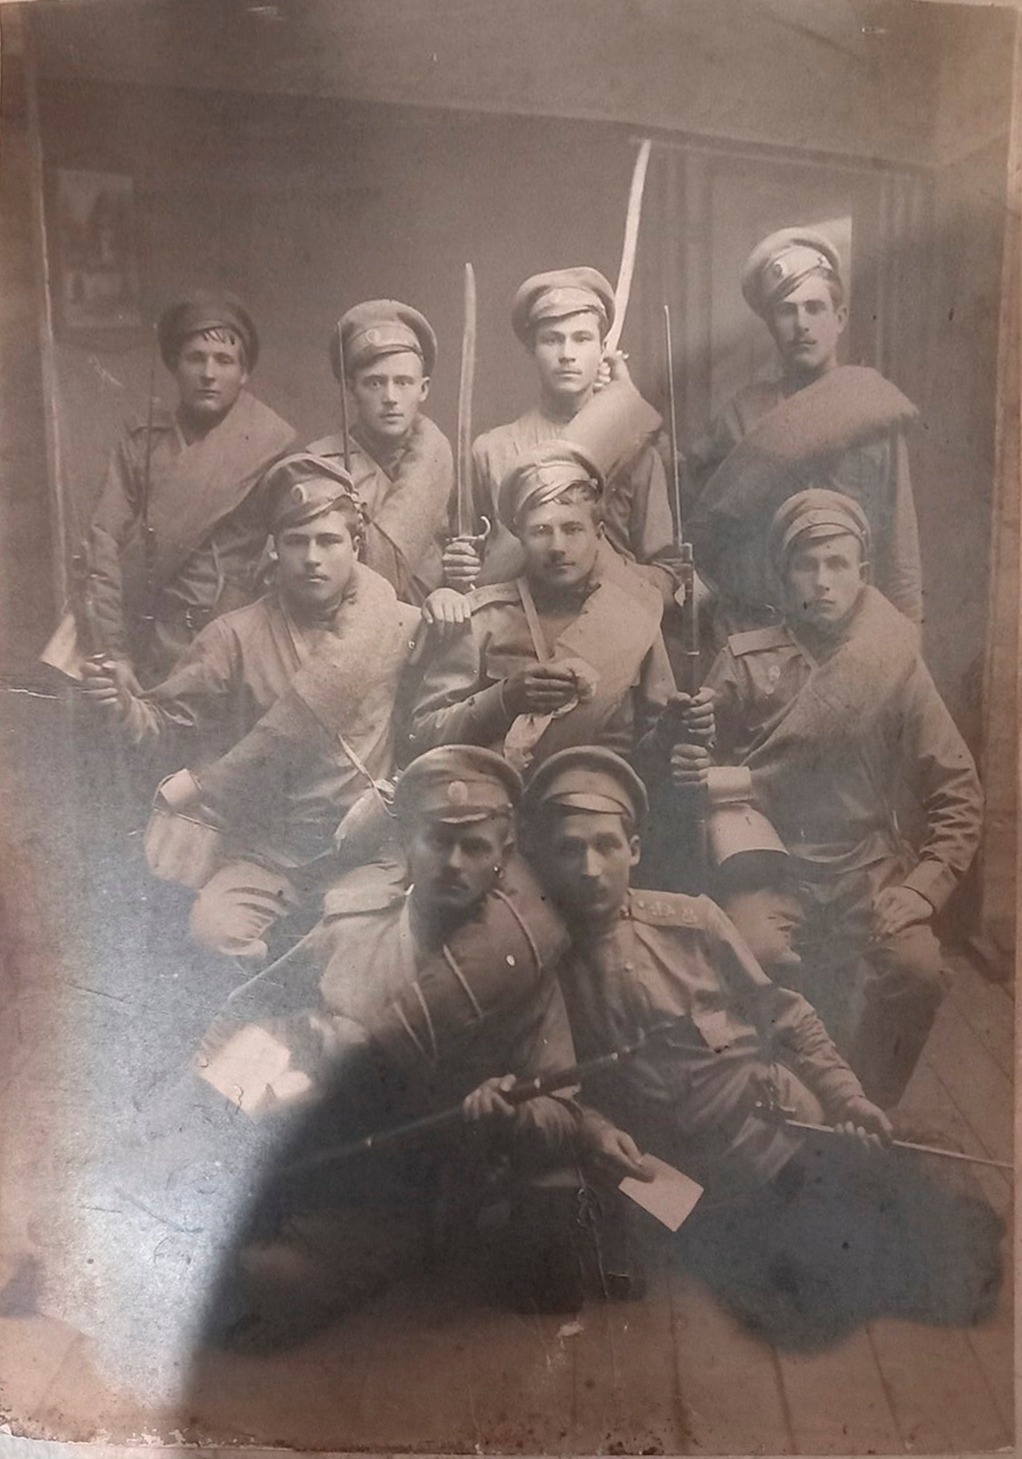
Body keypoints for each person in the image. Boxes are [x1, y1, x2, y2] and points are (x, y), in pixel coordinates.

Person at [521, 746, 1002, 1347]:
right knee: (793, 1301)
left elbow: (787, 1014)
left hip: (776, 1133)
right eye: (570, 849)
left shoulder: (692, 922)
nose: (591, 868)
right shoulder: (542, 969)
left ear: (634, 851)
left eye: (606, 845)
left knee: (930, 1256)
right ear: (544, 857)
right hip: (674, 1180)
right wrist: (595, 1130)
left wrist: (847, 1098)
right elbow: (556, 1086)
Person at [202, 746, 595, 1348]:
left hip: (406, 1188)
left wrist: (511, 1112)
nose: (454, 863)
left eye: (475, 847)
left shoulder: (522, 971)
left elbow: (564, 1111)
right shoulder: (352, 921)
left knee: (267, 1285)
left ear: (504, 854)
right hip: (302, 1140)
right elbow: (258, 1013)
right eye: (438, 841)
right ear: (408, 843)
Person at [684, 488, 982, 1105]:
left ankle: (867, 1106)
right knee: (750, 958)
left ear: (863, 573)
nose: (822, 581)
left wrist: (920, 889)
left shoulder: (892, 665)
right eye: (806, 564)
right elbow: (693, 777)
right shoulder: (745, 662)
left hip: (865, 866)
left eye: (837, 564)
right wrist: (687, 751)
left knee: (918, 970)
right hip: (768, 867)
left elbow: (957, 792)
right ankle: (784, 1103)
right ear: (782, 574)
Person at [82, 451, 421, 959]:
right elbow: (165, 724)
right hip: (269, 853)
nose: (312, 557)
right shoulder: (234, 636)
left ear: (356, 546)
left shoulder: (399, 625)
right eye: (296, 541)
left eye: (328, 541)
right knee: (214, 932)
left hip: (366, 849)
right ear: (274, 549)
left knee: (364, 949)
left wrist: (452, 605)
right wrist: (122, 704)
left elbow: (434, 724)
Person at [46, 290, 296, 686]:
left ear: (244, 373)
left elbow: (287, 559)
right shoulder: (140, 445)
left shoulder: (269, 447)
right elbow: (103, 544)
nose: (208, 373)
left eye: (224, 360)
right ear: (174, 365)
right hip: (146, 646)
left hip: (235, 652)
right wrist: (115, 653)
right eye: (195, 358)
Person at [688, 228, 922, 638]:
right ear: (771, 325)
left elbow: (900, 547)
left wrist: (907, 639)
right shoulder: (741, 416)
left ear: (840, 317)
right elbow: (709, 537)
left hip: (849, 634)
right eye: (786, 311)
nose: (801, 325)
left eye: (815, 308)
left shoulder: (871, 409)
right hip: (761, 633)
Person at [409, 441, 675, 774]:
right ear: (519, 536)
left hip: (600, 795)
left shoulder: (633, 615)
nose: (557, 547)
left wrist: (676, 734)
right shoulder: (483, 618)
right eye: (540, 531)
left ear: (599, 533)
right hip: (500, 792)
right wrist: (504, 699)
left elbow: (656, 746)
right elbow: (422, 734)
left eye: (572, 529)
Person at [447, 268, 684, 605]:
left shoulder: (636, 450)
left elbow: (668, 577)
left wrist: (597, 567)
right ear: (532, 349)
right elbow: (472, 571)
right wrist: (460, 568)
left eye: (582, 338)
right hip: (515, 629)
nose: (567, 354)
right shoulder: (491, 451)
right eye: (552, 339)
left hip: (611, 622)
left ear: (603, 349)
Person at [308, 299, 454, 605]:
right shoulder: (318, 465)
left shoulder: (444, 460)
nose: (390, 397)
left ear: (424, 389)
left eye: (403, 382)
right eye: (374, 383)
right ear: (351, 388)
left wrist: (464, 569)